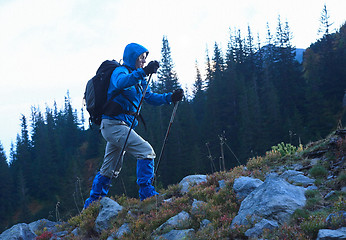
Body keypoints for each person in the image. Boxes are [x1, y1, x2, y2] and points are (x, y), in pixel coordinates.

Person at [84, 43, 184, 208]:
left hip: (120, 126)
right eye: (141, 58)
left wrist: (170, 97)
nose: (144, 62)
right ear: (133, 58)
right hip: (113, 125)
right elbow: (121, 83)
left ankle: (92, 205)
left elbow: (150, 97)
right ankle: (148, 196)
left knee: (109, 168)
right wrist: (143, 72)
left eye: (145, 59)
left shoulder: (140, 79)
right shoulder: (120, 72)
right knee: (146, 152)